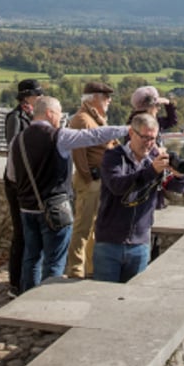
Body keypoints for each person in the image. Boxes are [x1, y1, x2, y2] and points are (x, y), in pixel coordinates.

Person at [9, 95, 128, 292]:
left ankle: (25, 299)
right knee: (54, 261)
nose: (60, 118)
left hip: (27, 209)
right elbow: (93, 136)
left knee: (31, 258)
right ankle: (47, 300)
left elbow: (12, 176)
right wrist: (126, 129)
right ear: (49, 113)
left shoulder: (17, 140)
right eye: (58, 113)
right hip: (55, 209)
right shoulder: (58, 136)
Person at [93, 112, 184, 284]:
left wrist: (180, 176)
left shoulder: (154, 159)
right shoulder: (113, 157)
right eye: (144, 137)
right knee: (103, 299)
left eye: (153, 138)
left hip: (140, 244)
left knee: (132, 300)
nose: (149, 143)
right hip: (109, 242)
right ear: (131, 133)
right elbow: (117, 186)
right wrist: (151, 171)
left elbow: (175, 191)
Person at [66, 81, 117, 278]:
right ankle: (76, 269)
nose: (109, 101)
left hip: (98, 179)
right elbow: (79, 155)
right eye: (105, 97)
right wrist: (89, 177)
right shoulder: (82, 120)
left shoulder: (95, 118)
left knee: (94, 229)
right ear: (94, 98)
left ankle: (91, 267)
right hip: (90, 180)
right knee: (82, 227)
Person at [3, 78, 42, 297]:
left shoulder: (29, 117)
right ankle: (16, 283)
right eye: (37, 95)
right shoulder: (15, 118)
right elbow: (15, 148)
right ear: (27, 97)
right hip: (17, 183)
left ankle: (26, 279)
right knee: (20, 233)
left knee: (29, 234)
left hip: (29, 182)